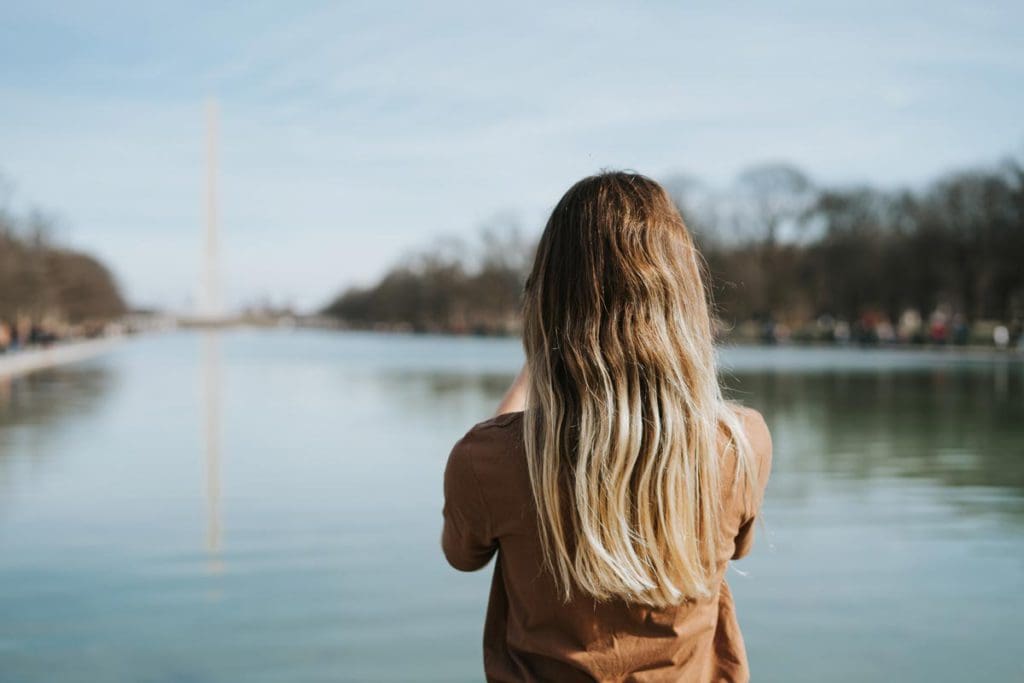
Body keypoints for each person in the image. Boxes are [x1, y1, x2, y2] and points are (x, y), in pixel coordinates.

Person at [441, 172, 773, 682]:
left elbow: (461, 556)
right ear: (684, 303)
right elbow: (737, 547)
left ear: (545, 304)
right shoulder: (741, 444)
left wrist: (537, 365)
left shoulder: (488, 461)